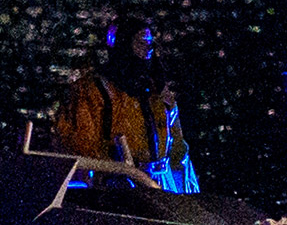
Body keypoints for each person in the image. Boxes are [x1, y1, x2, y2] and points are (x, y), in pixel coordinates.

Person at [53, 16, 200, 192]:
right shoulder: (92, 92)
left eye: (150, 43)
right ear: (123, 46)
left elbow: (177, 147)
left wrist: (185, 194)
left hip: (162, 184)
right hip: (117, 187)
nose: (148, 50)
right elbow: (83, 148)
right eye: (140, 43)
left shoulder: (158, 92)